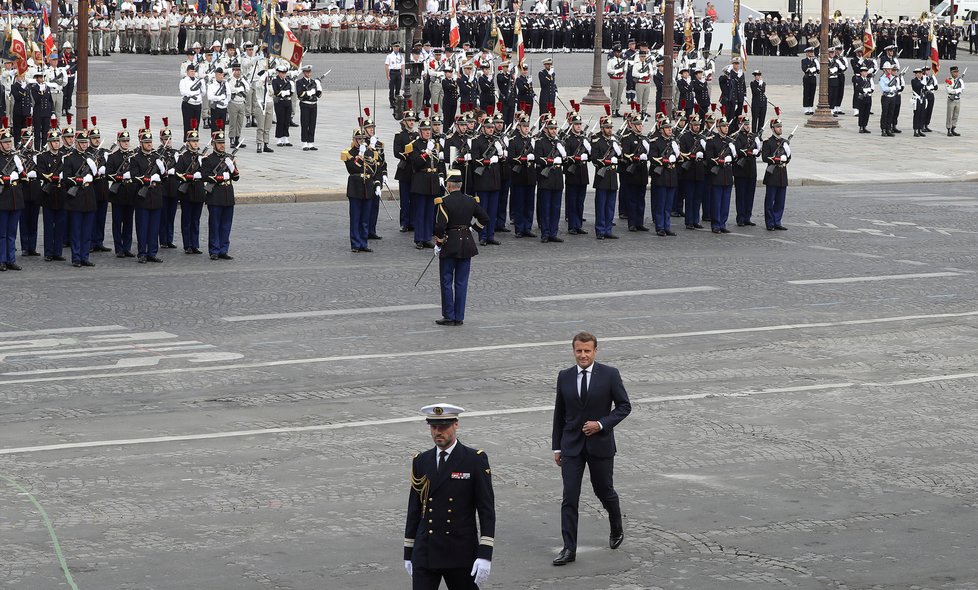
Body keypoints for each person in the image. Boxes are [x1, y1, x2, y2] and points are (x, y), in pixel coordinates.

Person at [552, 331, 631, 566]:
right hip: (571, 447)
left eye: (587, 351)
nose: (583, 355)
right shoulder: (564, 376)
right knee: (570, 496)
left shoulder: (609, 375)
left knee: (604, 491)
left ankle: (616, 525)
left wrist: (601, 424)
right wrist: (557, 447)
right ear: (573, 351)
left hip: (600, 446)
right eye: (579, 351)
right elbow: (560, 414)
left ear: (595, 351)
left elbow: (624, 406)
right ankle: (569, 548)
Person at [404, 402, 495, 588]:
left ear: (456, 425)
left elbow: (486, 510)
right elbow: (414, 509)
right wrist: (409, 552)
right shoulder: (421, 461)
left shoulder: (474, 459)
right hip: (426, 551)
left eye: (444, 427)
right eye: (434, 427)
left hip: (459, 552)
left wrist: (485, 553)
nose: (438, 432)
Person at [431, 169, 488, 327]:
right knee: (462, 282)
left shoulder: (444, 202)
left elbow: (440, 226)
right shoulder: (471, 200)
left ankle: (449, 315)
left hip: (450, 244)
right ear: (460, 185)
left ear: (449, 185)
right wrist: (472, 229)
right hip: (467, 243)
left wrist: (439, 243)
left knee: (446, 280)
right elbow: (484, 218)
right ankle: (459, 316)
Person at [129, 122, 164, 263]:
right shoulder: (135, 158)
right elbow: (134, 176)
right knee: (142, 227)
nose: (149, 144)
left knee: (154, 228)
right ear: (141, 143)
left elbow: (165, 176)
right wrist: (148, 179)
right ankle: (142, 253)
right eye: (146, 142)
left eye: (150, 142)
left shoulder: (157, 158)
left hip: (155, 197)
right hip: (142, 197)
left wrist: (162, 169)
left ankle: (152, 252)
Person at [62, 127, 97, 267]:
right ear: (76, 143)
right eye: (81, 142)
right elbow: (66, 179)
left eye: (85, 142)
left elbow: (96, 175)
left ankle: (85, 256)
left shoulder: (90, 158)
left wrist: (93, 168)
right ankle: (76, 257)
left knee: (87, 231)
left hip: (89, 197)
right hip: (76, 198)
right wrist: (80, 180)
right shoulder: (70, 158)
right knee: (76, 230)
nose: (84, 145)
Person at [201, 128, 239, 260]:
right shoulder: (208, 159)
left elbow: (236, 177)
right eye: (219, 142)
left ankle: (224, 249)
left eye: (223, 142)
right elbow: (205, 176)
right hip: (215, 195)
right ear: (213, 144)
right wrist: (218, 178)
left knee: (226, 224)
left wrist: (232, 167)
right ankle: (214, 250)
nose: (222, 145)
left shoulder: (229, 158)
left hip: (228, 195)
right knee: (215, 224)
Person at [342, 127, 381, 253]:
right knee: (355, 218)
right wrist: (359, 156)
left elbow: (374, 170)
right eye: (358, 139)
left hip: (367, 187)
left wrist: (377, 184)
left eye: (363, 139)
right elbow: (352, 168)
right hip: (355, 187)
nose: (360, 141)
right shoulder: (349, 152)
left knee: (365, 218)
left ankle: (363, 242)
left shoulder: (370, 152)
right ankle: (355, 243)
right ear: (354, 140)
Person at [534, 114, 565, 243]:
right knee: (545, 208)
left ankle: (553, 232)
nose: (553, 131)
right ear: (546, 129)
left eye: (555, 128)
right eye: (551, 128)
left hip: (557, 179)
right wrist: (550, 161)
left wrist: (563, 156)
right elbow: (537, 158)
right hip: (546, 179)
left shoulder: (558, 143)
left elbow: (565, 159)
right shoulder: (540, 142)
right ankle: (545, 233)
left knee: (556, 208)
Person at [36, 128, 66, 262]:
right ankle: (48, 252)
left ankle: (57, 252)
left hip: (60, 195)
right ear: (49, 143)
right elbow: (40, 173)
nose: (56, 144)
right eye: (53, 142)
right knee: (48, 225)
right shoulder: (43, 157)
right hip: (48, 195)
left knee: (60, 225)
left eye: (57, 141)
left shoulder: (64, 157)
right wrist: (51, 177)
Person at [175, 125, 205, 254]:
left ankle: (195, 244)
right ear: (188, 143)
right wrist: (189, 176)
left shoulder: (201, 157)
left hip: (198, 191)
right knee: (187, 219)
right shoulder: (183, 157)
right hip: (187, 192)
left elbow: (206, 173)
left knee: (196, 220)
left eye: (197, 141)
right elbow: (177, 173)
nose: (195, 143)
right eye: (193, 141)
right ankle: (187, 244)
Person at [590, 113, 620, 240]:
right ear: (602, 128)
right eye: (607, 127)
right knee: (601, 206)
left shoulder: (614, 140)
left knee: (610, 206)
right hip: (602, 177)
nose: (610, 130)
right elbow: (594, 159)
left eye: (610, 127)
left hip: (612, 177)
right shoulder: (597, 140)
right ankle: (600, 230)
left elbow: (620, 156)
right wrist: (606, 161)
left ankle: (608, 229)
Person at [0, 123, 24, 271]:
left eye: (10, 142)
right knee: (2, 233)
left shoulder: (15, 157)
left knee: (12, 233)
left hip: (16, 198)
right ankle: (2, 260)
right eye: (6, 142)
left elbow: (24, 177)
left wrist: (20, 170)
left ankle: (11, 259)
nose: (9, 145)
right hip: (3, 199)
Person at [649, 117, 678, 236]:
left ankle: (667, 226)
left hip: (671, 177)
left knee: (668, 205)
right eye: (666, 128)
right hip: (661, 177)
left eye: (670, 128)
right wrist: (666, 160)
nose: (669, 130)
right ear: (661, 130)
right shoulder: (656, 142)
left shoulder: (673, 142)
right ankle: (660, 227)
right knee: (660, 204)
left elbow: (679, 158)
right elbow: (653, 158)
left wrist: (677, 153)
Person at [705, 117, 734, 233]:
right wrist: (720, 160)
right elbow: (709, 158)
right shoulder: (712, 141)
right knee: (716, 202)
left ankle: (723, 223)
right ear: (718, 128)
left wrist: (733, 153)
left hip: (727, 174)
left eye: (727, 125)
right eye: (723, 126)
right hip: (717, 175)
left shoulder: (730, 141)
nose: (726, 127)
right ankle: (716, 224)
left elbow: (735, 158)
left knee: (725, 202)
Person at [761, 118, 790, 231]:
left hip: (782, 174)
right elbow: (765, 158)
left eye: (781, 126)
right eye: (778, 127)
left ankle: (777, 221)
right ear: (773, 129)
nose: (780, 128)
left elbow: (788, 158)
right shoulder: (768, 142)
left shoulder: (784, 142)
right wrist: (777, 159)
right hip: (772, 174)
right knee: (770, 200)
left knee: (780, 201)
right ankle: (770, 223)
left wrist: (787, 155)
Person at [732, 115, 760, 226]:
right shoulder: (736, 137)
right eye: (745, 124)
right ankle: (740, 218)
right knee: (741, 195)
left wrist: (758, 147)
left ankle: (747, 217)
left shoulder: (753, 137)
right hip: (741, 170)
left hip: (751, 169)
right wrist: (749, 151)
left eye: (748, 124)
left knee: (750, 195)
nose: (748, 126)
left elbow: (758, 153)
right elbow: (738, 151)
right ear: (740, 125)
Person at [295, 64, 322, 151]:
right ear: (303, 72)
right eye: (307, 71)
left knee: (312, 124)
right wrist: (308, 93)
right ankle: (304, 143)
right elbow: (300, 94)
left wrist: (319, 87)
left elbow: (318, 95)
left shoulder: (314, 82)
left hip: (313, 104)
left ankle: (311, 142)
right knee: (305, 123)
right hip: (305, 104)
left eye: (310, 71)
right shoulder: (299, 82)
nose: (309, 73)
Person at [271, 63, 294, 147]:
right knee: (280, 120)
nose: (284, 74)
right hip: (280, 102)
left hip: (287, 102)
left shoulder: (288, 81)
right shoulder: (275, 80)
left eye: (285, 73)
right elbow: (276, 91)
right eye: (282, 72)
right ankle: (279, 138)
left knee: (287, 120)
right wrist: (284, 93)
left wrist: (290, 90)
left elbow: (291, 92)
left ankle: (285, 137)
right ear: (279, 73)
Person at [179, 63, 204, 138]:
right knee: (187, 124)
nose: (193, 73)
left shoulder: (198, 81)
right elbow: (183, 92)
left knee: (196, 124)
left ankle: (194, 140)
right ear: (187, 72)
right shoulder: (183, 81)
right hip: (188, 104)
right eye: (191, 71)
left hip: (197, 104)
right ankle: (186, 141)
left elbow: (203, 92)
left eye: (194, 71)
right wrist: (194, 93)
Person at [854, 66, 874, 134]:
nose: (865, 73)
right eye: (864, 71)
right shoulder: (858, 79)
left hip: (868, 97)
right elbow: (858, 88)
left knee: (867, 112)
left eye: (866, 71)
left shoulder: (868, 79)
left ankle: (865, 126)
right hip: (862, 97)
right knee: (862, 112)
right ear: (861, 72)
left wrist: (869, 90)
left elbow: (872, 87)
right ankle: (861, 127)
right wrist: (865, 91)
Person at [946, 65, 963, 136]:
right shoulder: (948, 80)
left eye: (957, 72)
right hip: (951, 100)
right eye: (954, 72)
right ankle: (949, 129)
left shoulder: (960, 80)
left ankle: (953, 128)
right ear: (951, 72)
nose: (956, 73)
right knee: (950, 115)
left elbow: (962, 89)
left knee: (956, 115)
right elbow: (949, 90)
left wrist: (957, 90)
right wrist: (957, 90)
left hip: (957, 99)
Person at [385, 41, 403, 108]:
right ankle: (391, 102)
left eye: (398, 46)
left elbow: (402, 66)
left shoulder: (401, 56)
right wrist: (387, 75)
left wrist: (402, 74)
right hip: (392, 72)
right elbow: (386, 65)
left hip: (398, 72)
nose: (397, 48)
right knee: (391, 88)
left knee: (398, 88)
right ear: (392, 47)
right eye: (395, 46)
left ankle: (397, 101)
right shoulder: (389, 56)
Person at [800, 47, 818, 115]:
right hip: (807, 78)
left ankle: (810, 107)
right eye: (810, 52)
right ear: (807, 53)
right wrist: (811, 69)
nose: (812, 53)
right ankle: (806, 108)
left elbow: (818, 69)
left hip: (813, 77)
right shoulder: (804, 60)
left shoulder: (814, 61)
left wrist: (816, 67)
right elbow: (805, 69)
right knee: (806, 93)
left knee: (812, 92)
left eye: (812, 52)